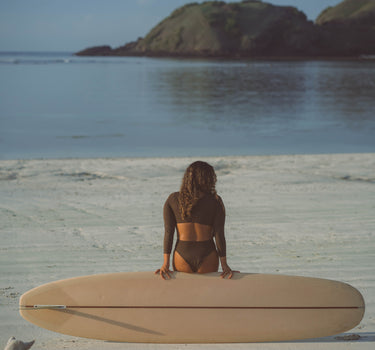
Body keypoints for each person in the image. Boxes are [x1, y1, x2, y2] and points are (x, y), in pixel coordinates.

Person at [155, 161, 237, 280]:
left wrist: (165, 264)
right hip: (208, 254)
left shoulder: (173, 199)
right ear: (209, 179)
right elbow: (219, 234)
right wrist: (224, 265)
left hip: (181, 255)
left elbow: (169, 233)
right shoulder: (216, 201)